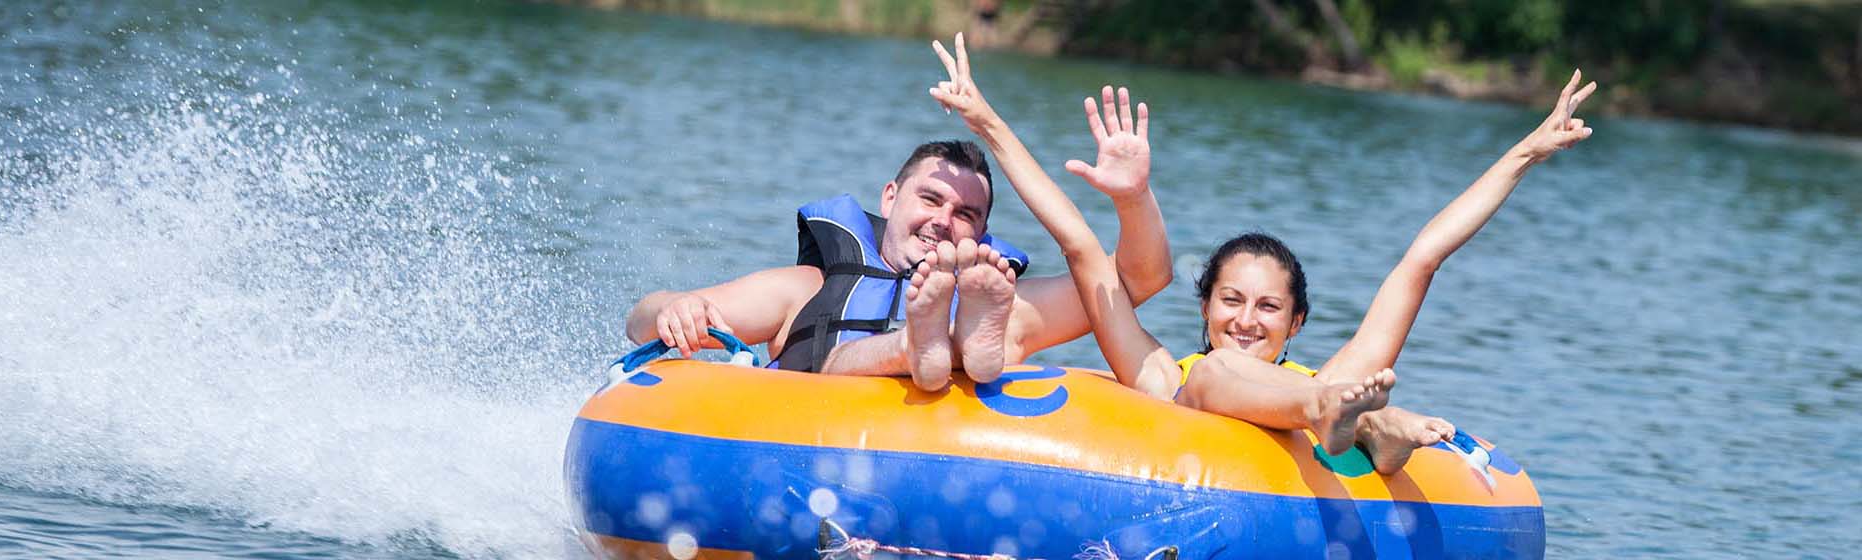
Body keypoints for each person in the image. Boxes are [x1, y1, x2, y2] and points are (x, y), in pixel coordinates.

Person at [926, 34, 1596, 472]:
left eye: (1269, 307)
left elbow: (1422, 258)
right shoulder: (1163, 375)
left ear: (1295, 322)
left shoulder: (1335, 376)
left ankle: (1373, 430)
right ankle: (1365, 429)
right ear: (1207, 306)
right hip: (1318, 406)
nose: (1247, 320)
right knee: (1216, 377)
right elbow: (1080, 247)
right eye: (1232, 300)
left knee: (1316, 390)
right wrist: (988, 122)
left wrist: (1524, 153)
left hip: (1329, 402)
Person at [623, 72, 1173, 391]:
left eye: (966, 214)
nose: (943, 220)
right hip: (800, 439)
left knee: (991, 322)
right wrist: (673, 307)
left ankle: (950, 345)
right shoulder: (806, 288)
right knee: (863, 356)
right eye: (931, 198)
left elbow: (1133, 283)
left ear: (982, 235)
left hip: (928, 466)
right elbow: (640, 320)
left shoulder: (997, 297)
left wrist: (1133, 199)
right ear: (890, 198)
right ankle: (919, 344)